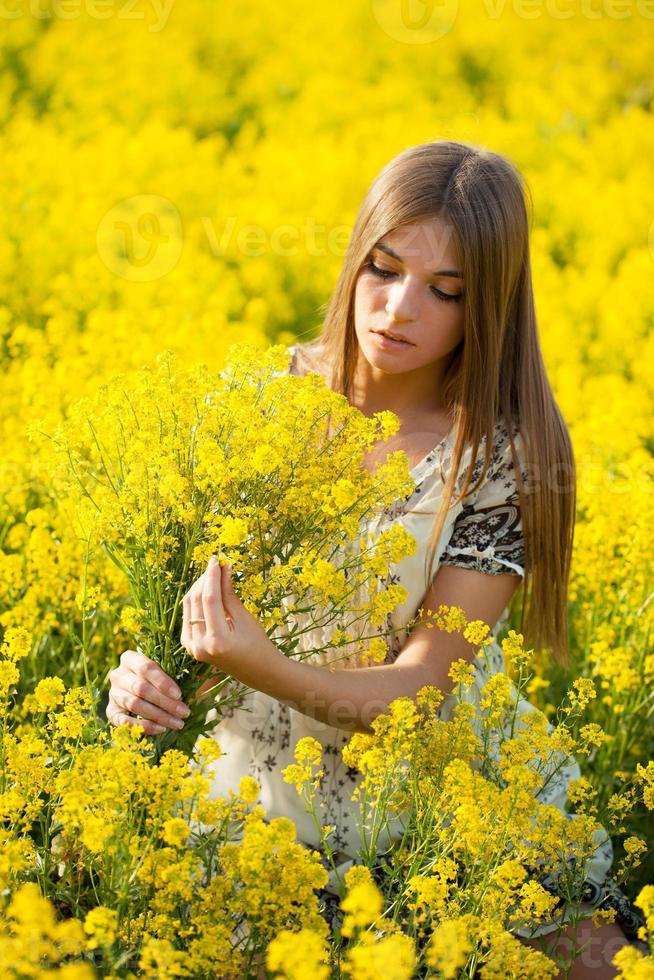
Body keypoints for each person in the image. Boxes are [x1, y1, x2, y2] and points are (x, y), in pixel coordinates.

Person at [106, 140, 645, 977]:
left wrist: (260, 662)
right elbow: (195, 629)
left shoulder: (503, 456)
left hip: (441, 785)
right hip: (259, 794)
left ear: (488, 307)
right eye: (383, 270)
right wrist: (144, 682)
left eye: (445, 292)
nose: (398, 310)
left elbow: (423, 694)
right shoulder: (253, 410)